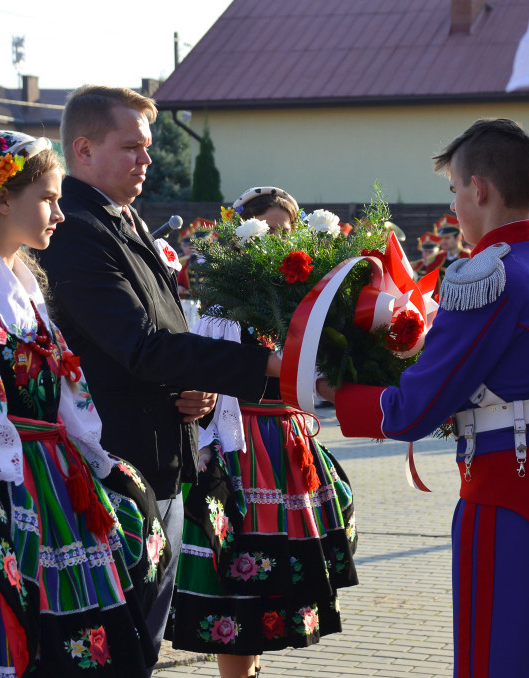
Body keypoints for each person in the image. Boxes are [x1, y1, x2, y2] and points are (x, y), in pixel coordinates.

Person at [318, 118, 529, 677]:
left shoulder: (484, 275)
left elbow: (417, 408)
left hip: (512, 492)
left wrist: (332, 392)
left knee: (491, 663)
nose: (456, 203)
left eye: (455, 190)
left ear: (479, 190)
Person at [0, 130, 167, 678]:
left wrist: (101, 463)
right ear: (1, 200)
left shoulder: (24, 291)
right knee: (14, 641)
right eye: (48, 198)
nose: (60, 214)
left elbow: (64, 395)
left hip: (53, 480)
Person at [34, 85, 282, 668]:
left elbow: (163, 333)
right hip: (113, 467)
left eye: (148, 148)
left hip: (158, 462)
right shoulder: (76, 232)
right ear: (85, 149)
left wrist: (195, 389)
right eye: (132, 148)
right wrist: (262, 368)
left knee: (141, 642)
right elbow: (141, 346)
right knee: (118, 651)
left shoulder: (123, 221)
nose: (146, 160)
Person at [169, 186, 358, 678]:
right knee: (236, 578)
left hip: (289, 447)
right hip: (243, 446)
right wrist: (206, 450)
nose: (278, 242)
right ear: (241, 237)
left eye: (287, 233)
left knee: (274, 584)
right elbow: (207, 382)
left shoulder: (302, 304)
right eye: (268, 232)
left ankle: (251, 671)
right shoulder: (222, 306)